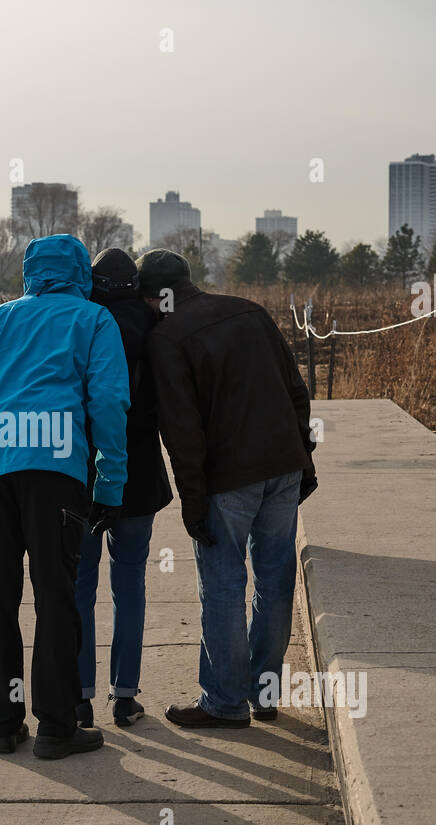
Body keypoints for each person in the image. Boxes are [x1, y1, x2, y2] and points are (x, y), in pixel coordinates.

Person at [0, 234, 130, 759]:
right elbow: (109, 401)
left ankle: (3, 724)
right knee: (55, 597)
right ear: (79, 272)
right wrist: (110, 484)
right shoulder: (93, 320)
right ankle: (56, 727)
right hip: (56, 472)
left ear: (29, 271)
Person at [139, 249, 317, 729]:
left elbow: (182, 432)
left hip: (227, 479)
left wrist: (193, 502)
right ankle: (264, 693)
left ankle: (224, 702)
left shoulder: (166, 338)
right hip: (283, 466)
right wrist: (306, 459)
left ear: (159, 297)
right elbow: (296, 391)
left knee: (222, 586)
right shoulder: (251, 311)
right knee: (275, 581)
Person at [73, 249, 173, 730]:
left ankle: (80, 696)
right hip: (138, 474)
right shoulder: (154, 326)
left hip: (84, 473)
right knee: (129, 585)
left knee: (79, 588)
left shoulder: (83, 321)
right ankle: (125, 696)